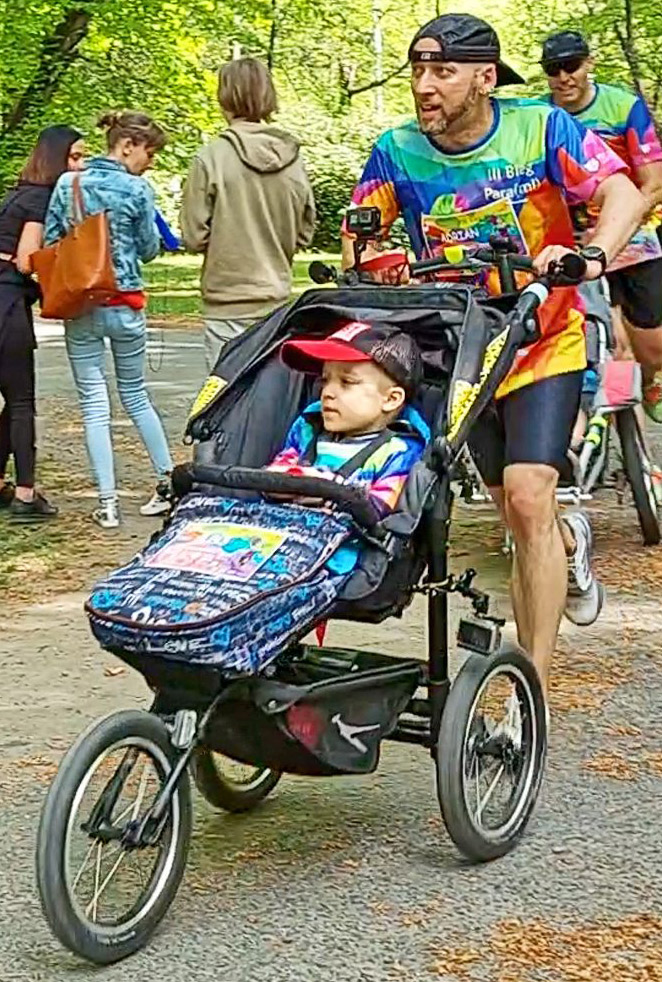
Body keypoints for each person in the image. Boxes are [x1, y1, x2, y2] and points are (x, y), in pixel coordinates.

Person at [340, 13, 647, 703]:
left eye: (442, 72)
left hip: (544, 338)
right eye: (418, 71)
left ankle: (531, 687)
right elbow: (359, 238)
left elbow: (623, 193)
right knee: (514, 508)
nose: (425, 85)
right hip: (462, 350)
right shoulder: (396, 151)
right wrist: (375, 263)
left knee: (530, 492)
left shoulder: (540, 128)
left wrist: (592, 254)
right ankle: (565, 548)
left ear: (484, 77)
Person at [44, 111, 173, 530]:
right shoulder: (138, 189)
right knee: (135, 395)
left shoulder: (69, 183)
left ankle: (108, 503)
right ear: (127, 145)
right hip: (125, 304)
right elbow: (149, 249)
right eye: (149, 153)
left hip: (81, 306)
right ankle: (167, 482)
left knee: (93, 404)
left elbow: (51, 241)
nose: (150, 162)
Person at [541, 30, 662, 422]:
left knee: (652, 347)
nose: (564, 77)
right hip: (571, 246)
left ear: (588, 63)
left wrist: (614, 226)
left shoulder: (624, 107)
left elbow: (654, 183)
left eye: (571, 66)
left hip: (633, 238)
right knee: (604, 338)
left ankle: (648, 380)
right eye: (554, 70)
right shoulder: (540, 116)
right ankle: (604, 420)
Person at [180, 57, 316, 371]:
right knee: (268, 390)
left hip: (226, 302)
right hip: (275, 299)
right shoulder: (292, 159)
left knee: (224, 392)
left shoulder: (210, 158)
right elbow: (305, 233)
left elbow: (193, 235)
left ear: (224, 96)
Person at [0, 125, 85, 523]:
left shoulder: (16, 195)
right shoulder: (41, 198)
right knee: (21, 402)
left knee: (10, 399)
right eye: (75, 157)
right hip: (7, 304)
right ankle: (25, 494)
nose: (81, 166)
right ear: (56, 159)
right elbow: (25, 259)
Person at [271, 322, 429, 516]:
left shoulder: (398, 451)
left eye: (347, 382)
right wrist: (283, 480)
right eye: (324, 380)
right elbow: (279, 469)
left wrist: (327, 490)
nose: (326, 392)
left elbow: (381, 509)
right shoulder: (307, 430)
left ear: (390, 399)